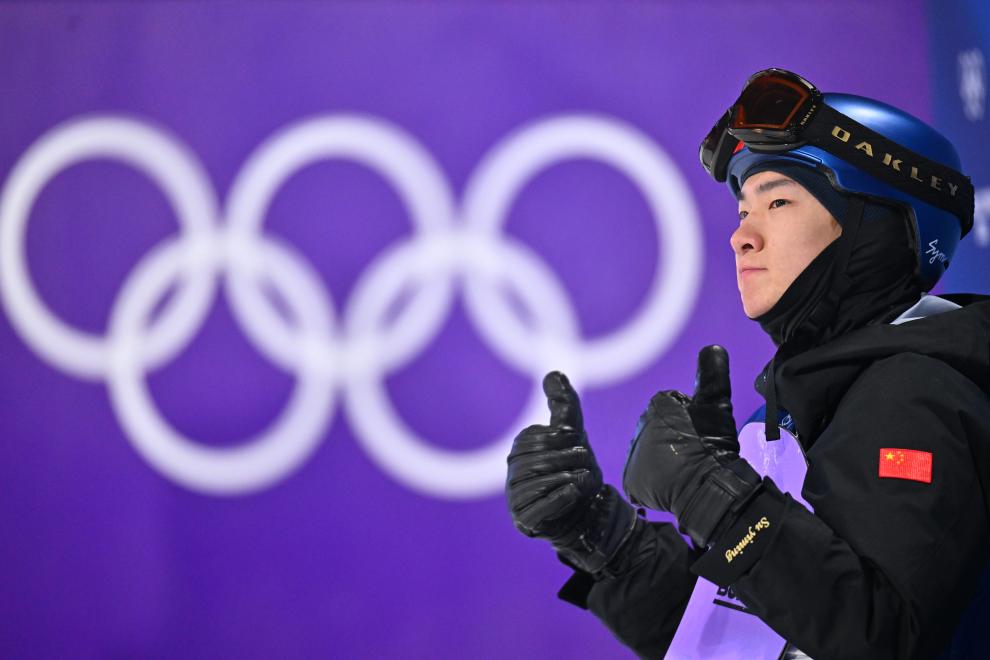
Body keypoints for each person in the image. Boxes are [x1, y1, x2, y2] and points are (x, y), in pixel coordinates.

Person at [505, 69, 990, 659]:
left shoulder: (919, 393)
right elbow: (742, 641)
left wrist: (715, 500)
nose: (742, 237)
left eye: (778, 201)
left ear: (877, 224)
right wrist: (603, 538)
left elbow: (880, 639)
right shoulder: (800, 410)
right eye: (742, 211)